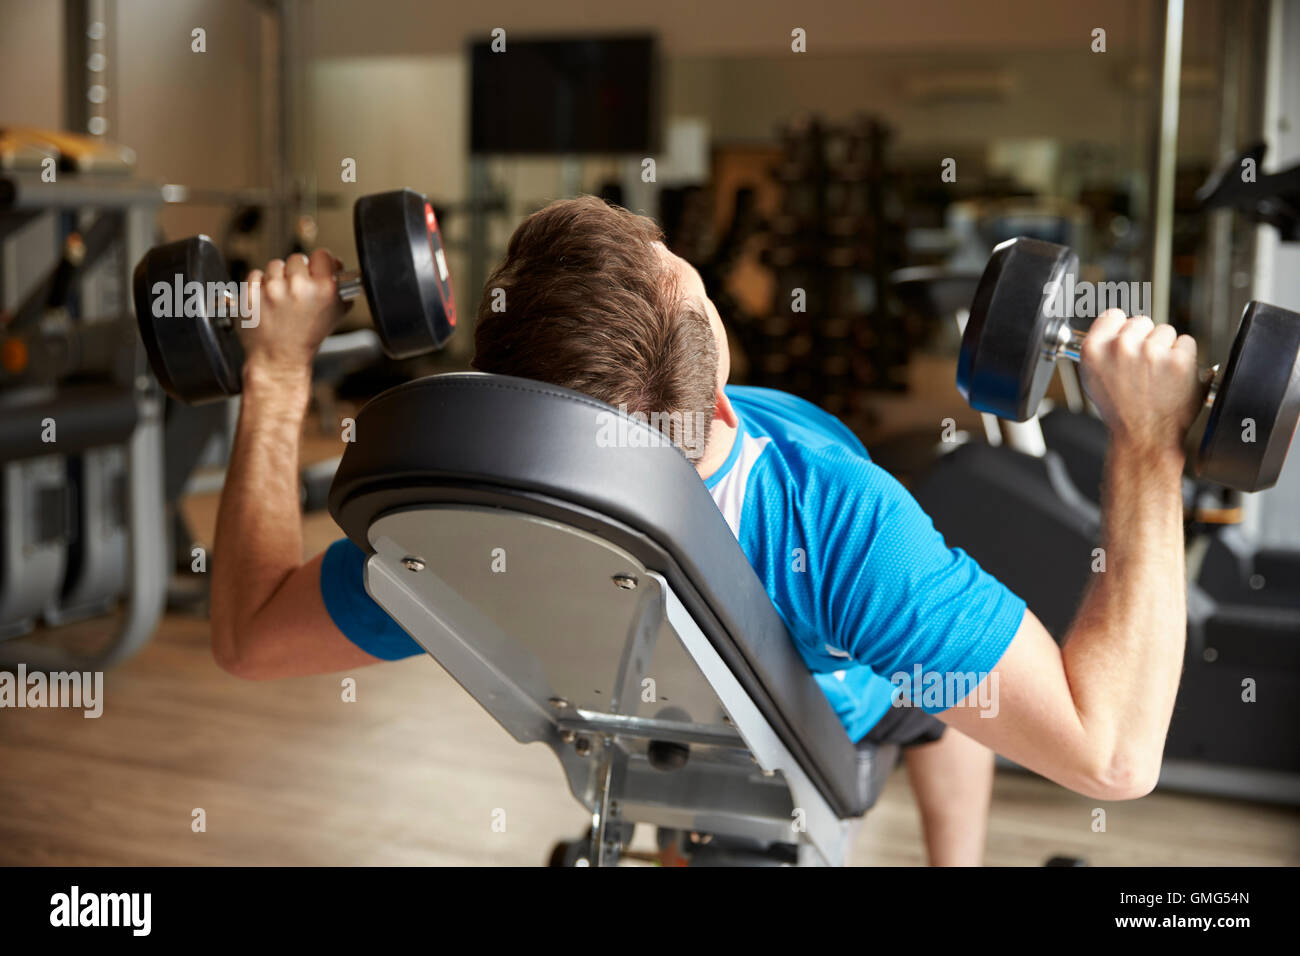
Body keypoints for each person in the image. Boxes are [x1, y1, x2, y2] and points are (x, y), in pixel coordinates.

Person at [210, 197, 1203, 866]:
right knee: (934, 685)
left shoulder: (461, 519)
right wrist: (1148, 442)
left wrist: (274, 372)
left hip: (628, 710)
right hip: (833, 709)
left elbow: (249, 638)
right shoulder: (838, 518)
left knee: (928, 646)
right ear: (719, 401)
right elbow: (1112, 756)